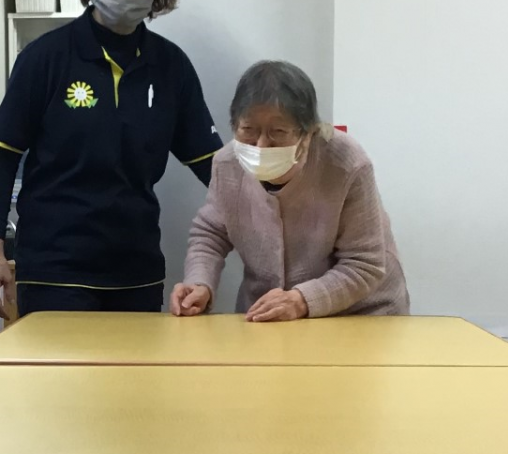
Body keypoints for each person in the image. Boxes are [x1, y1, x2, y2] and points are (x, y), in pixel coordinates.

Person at [0, 0, 223, 318]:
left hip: (136, 273)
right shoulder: (45, 58)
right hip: (55, 271)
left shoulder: (171, 66)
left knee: (135, 365)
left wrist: (277, 206)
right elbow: (4, 158)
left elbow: (213, 167)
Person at [172, 60, 408, 321]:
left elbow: (364, 263)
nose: (261, 145)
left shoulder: (346, 163)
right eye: (248, 130)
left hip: (361, 313)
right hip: (270, 315)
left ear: (309, 134)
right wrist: (200, 283)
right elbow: (210, 234)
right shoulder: (227, 164)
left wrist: (302, 300)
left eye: (278, 132)